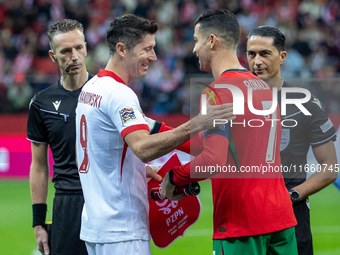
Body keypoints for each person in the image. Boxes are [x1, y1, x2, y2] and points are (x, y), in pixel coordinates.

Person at [75, 14, 235, 255]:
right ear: (121, 49)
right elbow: (143, 148)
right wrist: (199, 122)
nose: (153, 57)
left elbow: (96, 151)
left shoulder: (90, 88)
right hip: (123, 229)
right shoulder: (120, 94)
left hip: (96, 224)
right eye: (146, 49)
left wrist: (136, 169)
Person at [161, 9, 298, 255]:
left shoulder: (217, 91)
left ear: (212, 41)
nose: (194, 49)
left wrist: (174, 178)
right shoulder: (264, 88)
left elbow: (212, 160)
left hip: (241, 224)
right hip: (281, 219)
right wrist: (163, 132)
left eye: (196, 40)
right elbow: (226, 143)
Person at [246, 26, 338, 255]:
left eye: (265, 53)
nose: (257, 61)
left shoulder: (305, 104)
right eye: (251, 54)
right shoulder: (235, 103)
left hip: (291, 217)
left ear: (282, 56)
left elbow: (329, 167)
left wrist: (291, 196)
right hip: (245, 217)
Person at [27, 19, 92, 255]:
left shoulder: (109, 93)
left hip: (106, 199)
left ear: (86, 47)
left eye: (79, 48)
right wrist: (38, 223)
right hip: (67, 204)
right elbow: (39, 166)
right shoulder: (41, 104)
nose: (74, 56)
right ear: (53, 56)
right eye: (65, 51)